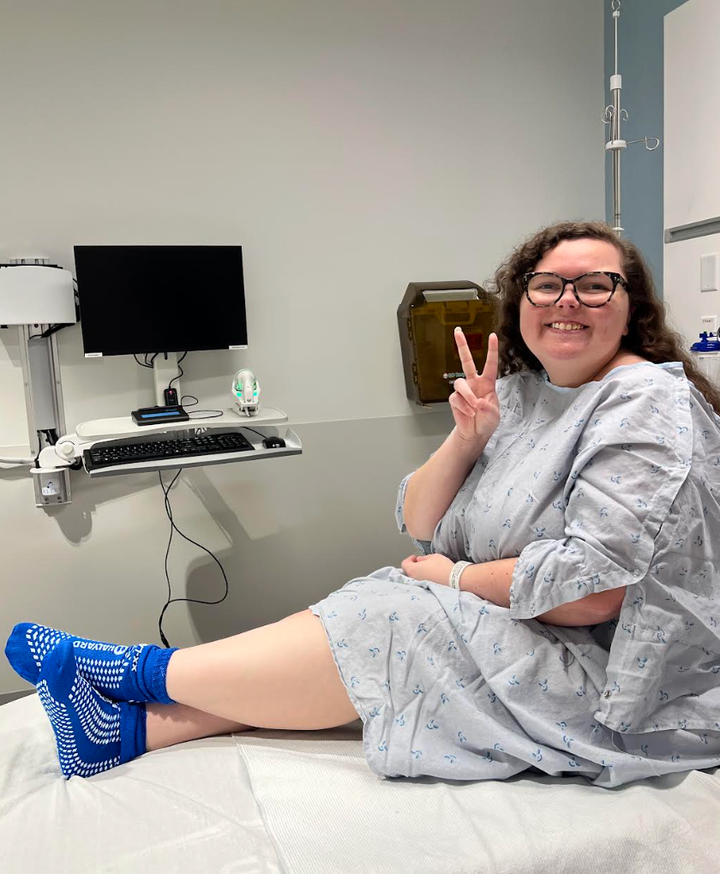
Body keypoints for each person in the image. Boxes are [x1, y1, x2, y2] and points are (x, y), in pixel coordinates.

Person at [5, 219, 720, 787]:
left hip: (615, 677)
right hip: (526, 624)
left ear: (631, 306)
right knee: (384, 599)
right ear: (520, 302)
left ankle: (132, 671)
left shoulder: (643, 403)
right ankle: (129, 730)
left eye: (594, 286)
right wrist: (467, 438)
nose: (566, 302)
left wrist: (454, 578)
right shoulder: (523, 395)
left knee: (397, 618)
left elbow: (595, 593)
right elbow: (419, 521)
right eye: (546, 286)